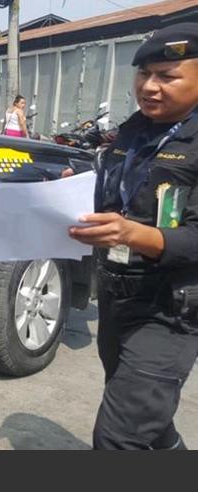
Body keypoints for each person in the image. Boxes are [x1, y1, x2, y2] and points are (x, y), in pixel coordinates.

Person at [68, 23, 198, 450]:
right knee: (149, 422)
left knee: (119, 437)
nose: (150, 86)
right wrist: (74, 190)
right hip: (117, 295)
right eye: (144, 74)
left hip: (169, 309)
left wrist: (138, 235)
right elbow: (118, 196)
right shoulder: (133, 130)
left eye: (167, 76)